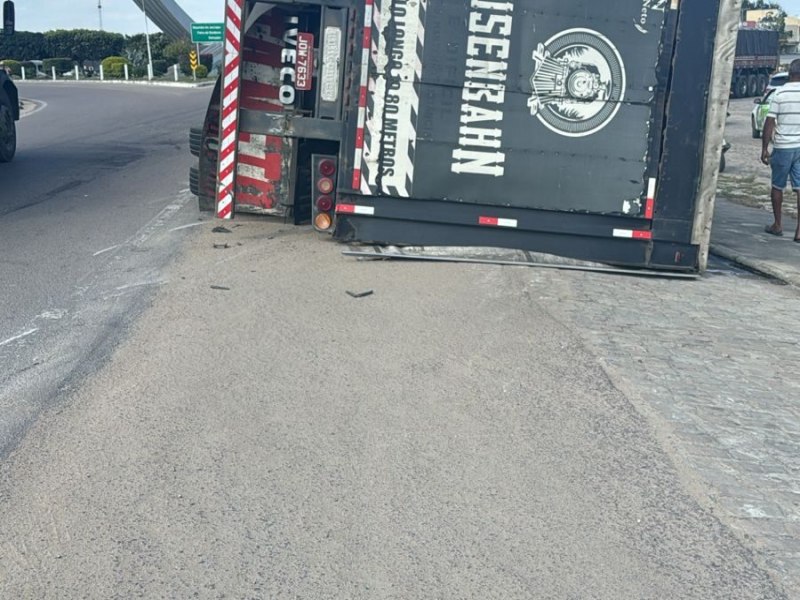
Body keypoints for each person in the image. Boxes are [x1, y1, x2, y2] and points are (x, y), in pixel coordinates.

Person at [761, 59, 800, 241]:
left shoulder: (780, 93)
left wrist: (764, 148)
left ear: (790, 74)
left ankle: (778, 225)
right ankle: (799, 231)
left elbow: (769, 122)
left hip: (783, 147)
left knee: (778, 186)